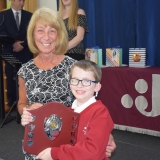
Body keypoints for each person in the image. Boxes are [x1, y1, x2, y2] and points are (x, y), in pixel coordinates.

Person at [18, 7, 116, 159]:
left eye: (52, 31)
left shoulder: (73, 67)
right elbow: (21, 104)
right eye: (40, 30)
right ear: (32, 34)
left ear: (59, 35)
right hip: (37, 145)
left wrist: (105, 135)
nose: (46, 37)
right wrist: (27, 110)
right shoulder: (25, 71)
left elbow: (90, 106)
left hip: (70, 149)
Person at [0, 0, 33, 112]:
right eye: (19, 1)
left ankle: (28, 102)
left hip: (25, 52)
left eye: (23, 1)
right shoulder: (3, 15)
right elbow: (2, 33)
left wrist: (22, 44)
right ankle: (13, 103)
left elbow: (32, 34)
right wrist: (13, 43)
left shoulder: (30, 16)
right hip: (10, 51)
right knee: (11, 76)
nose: (22, 3)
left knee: (27, 77)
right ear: (13, 1)